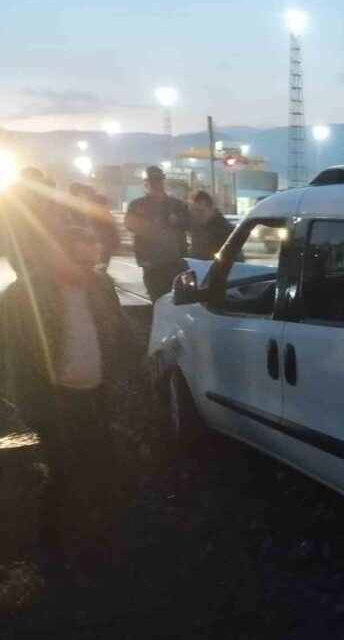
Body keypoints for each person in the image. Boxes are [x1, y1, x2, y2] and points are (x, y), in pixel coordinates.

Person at [0, 225, 132, 563]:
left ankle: (102, 539)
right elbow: (14, 354)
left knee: (102, 467)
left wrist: (124, 373)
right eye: (82, 262)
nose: (91, 269)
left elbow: (117, 333)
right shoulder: (25, 294)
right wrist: (32, 403)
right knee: (64, 473)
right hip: (54, 400)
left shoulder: (99, 286)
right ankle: (52, 546)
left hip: (95, 393)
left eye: (94, 261)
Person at [124, 166, 189, 301]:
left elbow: (189, 224)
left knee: (180, 299)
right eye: (153, 183)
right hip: (151, 263)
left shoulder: (176, 204)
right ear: (146, 185)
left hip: (176, 261)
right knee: (157, 298)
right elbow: (131, 226)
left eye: (159, 182)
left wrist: (177, 220)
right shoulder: (137, 205)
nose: (157, 186)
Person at [188, 190, 233, 260]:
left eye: (199, 211)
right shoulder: (198, 226)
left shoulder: (224, 229)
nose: (196, 214)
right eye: (193, 210)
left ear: (211, 209)